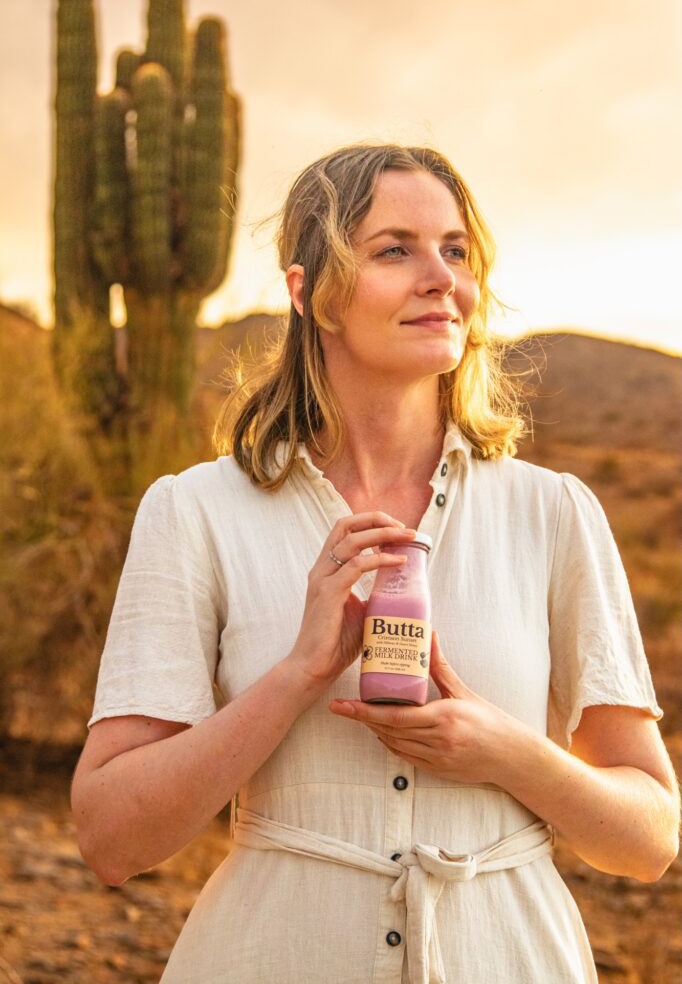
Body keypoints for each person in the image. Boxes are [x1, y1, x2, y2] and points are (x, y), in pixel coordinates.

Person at [71, 143, 679, 984]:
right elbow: (111, 839)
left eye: (456, 250)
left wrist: (507, 752)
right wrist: (296, 676)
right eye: (395, 249)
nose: (441, 277)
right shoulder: (197, 511)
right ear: (307, 291)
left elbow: (649, 841)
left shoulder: (554, 513)